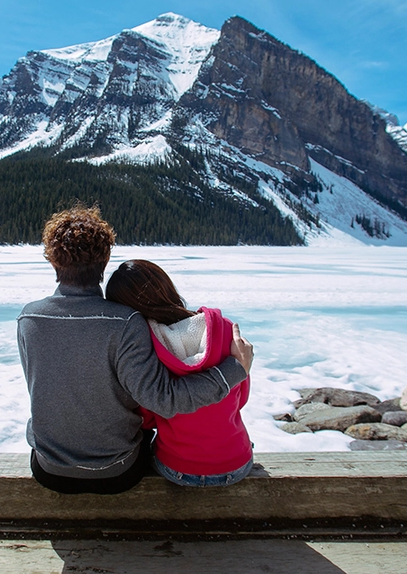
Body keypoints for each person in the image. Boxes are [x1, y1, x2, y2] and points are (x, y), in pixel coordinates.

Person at [17, 206, 253, 494]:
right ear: (104, 261)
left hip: (49, 470)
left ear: (53, 260)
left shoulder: (29, 319)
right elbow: (164, 400)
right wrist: (234, 370)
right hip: (116, 472)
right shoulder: (126, 322)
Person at [105, 260, 253, 487]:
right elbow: (241, 396)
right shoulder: (225, 329)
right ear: (166, 286)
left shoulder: (145, 349)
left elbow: (148, 416)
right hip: (236, 463)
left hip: (178, 468)